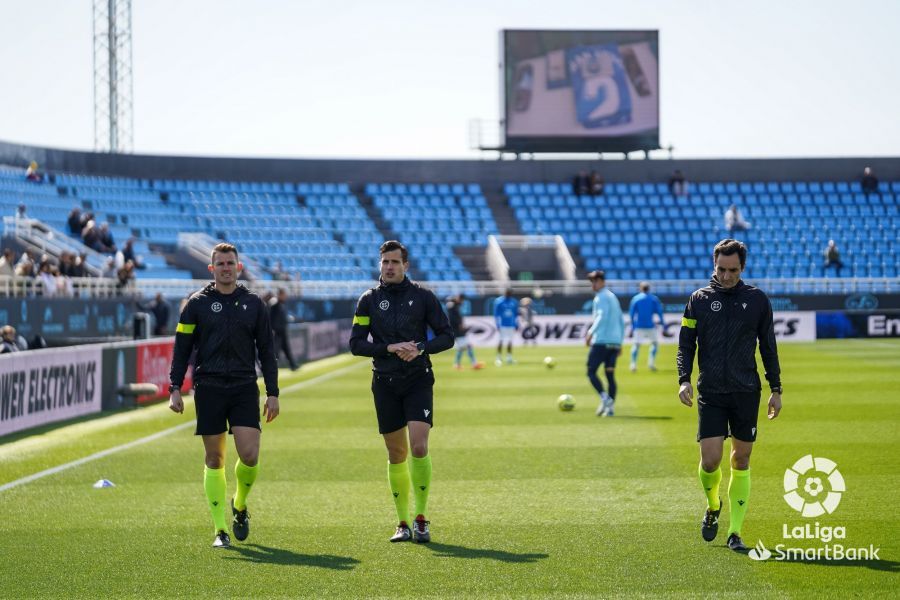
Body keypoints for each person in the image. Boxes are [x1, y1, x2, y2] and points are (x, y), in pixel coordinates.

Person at [168, 242, 280, 549]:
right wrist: (175, 387)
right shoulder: (196, 304)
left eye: (231, 263)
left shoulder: (254, 304)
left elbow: (267, 352)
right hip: (209, 387)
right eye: (221, 263)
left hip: (244, 386)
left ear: (239, 267)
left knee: (250, 454)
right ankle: (220, 530)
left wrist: (273, 393)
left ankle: (240, 504)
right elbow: (182, 348)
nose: (226, 267)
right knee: (214, 457)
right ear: (212, 268)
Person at [676, 239, 782, 554]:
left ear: (742, 268)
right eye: (721, 269)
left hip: (746, 391)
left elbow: (768, 346)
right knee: (710, 461)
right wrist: (684, 380)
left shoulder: (758, 300)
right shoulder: (698, 300)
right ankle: (712, 505)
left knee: (741, 459)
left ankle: (735, 532)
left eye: (732, 270)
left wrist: (776, 389)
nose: (725, 276)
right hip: (710, 391)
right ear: (714, 265)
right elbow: (685, 344)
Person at [349, 240, 453, 544]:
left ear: (406, 266)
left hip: (418, 379)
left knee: (418, 447)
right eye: (385, 262)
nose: (390, 267)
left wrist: (420, 347)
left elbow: (447, 337)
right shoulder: (368, 300)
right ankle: (402, 522)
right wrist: (389, 348)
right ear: (380, 265)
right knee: (396, 453)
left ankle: (421, 519)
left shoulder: (423, 297)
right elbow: (356, 344)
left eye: (395, 262)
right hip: (384, 382)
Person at [585, 270, 624, 416]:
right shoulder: (612, 296)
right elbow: (621, 320)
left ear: (602, 282)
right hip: (613, 343)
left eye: (595, 281)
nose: (593, 285)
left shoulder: (600, 297)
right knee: (610, 375)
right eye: (592, 282)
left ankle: (605, 398)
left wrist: (590, 333)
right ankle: (610, 407)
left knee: (591, 371)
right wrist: (619, 342)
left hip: (601, 341)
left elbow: (601, 316)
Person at [628, 282, 664, 372]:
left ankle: (633, 365)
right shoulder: (653, 299)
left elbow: (631, 314)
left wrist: (632, 326)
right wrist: (663, 324)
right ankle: (651, 364)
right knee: (655, 344)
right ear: (649, 288)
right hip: (650, 325)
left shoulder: (636, 299)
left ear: (640, 288)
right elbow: (659, 312)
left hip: (639, 325)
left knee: (636, 345)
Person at [446, 293, 484, 370]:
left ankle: (457, 364)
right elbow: (453, 317)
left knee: (461, 348)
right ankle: (474, 363)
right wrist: (459, 324)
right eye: (461, 299)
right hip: (457, 330)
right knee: (468, 346)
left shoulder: (455, 305)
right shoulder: (452, 306)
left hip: (457, 330)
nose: (462, 302)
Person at [269, 288, 299, 371]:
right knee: (275, 350)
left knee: (286, 349)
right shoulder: (275, 303)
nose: (285, 296)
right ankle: (271, 368)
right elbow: (270, 315)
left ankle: (293, 365)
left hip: (282, 330)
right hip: (277, 331)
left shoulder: (282, 304)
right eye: (284, 295)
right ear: (280, 295)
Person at [493, 288, 519, 366]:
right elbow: (496, 314)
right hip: (502, 325)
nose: (509, 294)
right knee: (501, 341)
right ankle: (498, 358)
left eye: (510, 293)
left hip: (511, 324)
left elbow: (516, 314)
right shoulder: (499, 301)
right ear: (505, 293)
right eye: (508, 293)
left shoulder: (514, 302)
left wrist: (517, 324)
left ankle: (509, 358)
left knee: (510, 341)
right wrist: (497, 324)